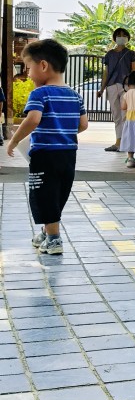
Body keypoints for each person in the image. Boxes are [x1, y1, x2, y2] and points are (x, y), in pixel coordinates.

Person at [6, 39, 87, 255]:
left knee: (43, 194)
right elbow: (83, 125)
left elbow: (33, 119)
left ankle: (54, 239)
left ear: (43, 66)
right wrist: (63, 132)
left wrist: (14, 140)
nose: (28, 74)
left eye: (28, 68)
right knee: (58, 193)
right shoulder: (75, 96)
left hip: (45, 155)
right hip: (68, 154)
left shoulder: (40, 94)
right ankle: (46, 231)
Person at [99, 27, 135, 151]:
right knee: (116, 115)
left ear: (128, 38)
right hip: (111, 86)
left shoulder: (131, 54)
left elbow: (134, 71)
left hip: (125, 86)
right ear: (114, 38)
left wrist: (133, 87)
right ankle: (118, 141)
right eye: (119, 35)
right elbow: (106, 73)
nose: (122, 37)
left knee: (125, 115)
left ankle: (123, 142)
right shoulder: (109, 54)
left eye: (124, 35)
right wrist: (102, 89)